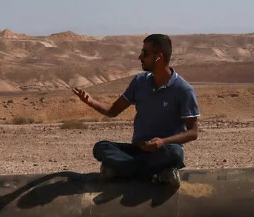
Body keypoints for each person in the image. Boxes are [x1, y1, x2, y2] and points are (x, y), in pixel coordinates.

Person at [71, 33, 200, 187]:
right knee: (101, 148)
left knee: (175, 153)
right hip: (137, 150)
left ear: (158, 57)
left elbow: (193, 132)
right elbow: (112, 111)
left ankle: (124, 170)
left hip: (162, 152)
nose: (140, 57)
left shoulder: (183, 90)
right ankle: (155, 174)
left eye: (145, 53)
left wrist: (162, 142)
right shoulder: (140, 82)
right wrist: (90, 101)